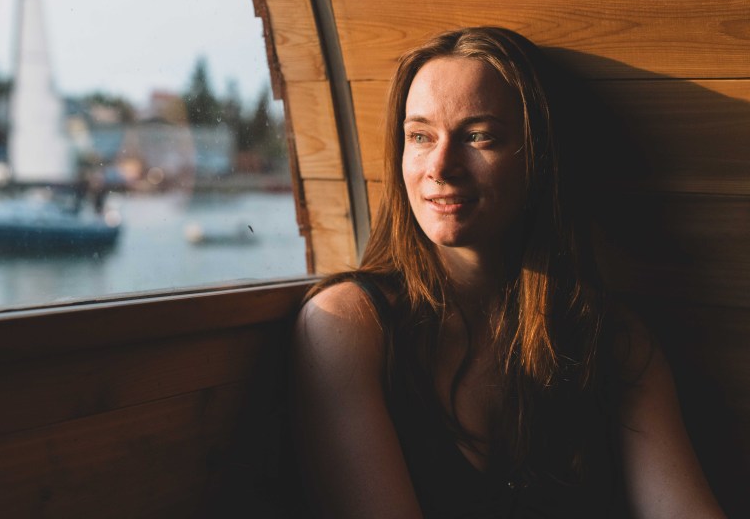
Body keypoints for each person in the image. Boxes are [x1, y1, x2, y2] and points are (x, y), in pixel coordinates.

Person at [291, 27, 726, 518]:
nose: (440, 166)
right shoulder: (348, 325)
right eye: (420, 136)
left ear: (537, 157)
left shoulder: (611, 338)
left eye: (479, 136)